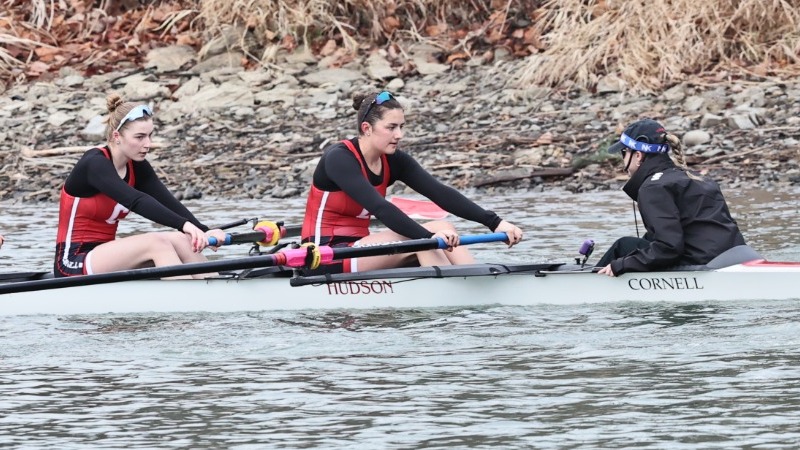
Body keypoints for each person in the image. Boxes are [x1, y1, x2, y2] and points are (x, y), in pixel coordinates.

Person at [300, 91, 523, 273]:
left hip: (362, 247)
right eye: (391, 127)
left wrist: (495, 223)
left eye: (401, 126)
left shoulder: (394, 160)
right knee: (425, 241)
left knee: (443, 227)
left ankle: (475, 282)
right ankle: (456, 302)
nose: (399, 135)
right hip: (325, 255)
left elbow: (439, 193)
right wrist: (427, 237)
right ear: (366, 128)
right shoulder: (339, 158)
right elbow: (381, 208)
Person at [54, 94, 226, 278]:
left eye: (150, 136)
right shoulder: (94, 164)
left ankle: (213, 292)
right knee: (157, 243)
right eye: (140, 137)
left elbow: (167, 201)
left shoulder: (136, 166)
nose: (148, 144)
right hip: (72, 261)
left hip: (107, 253)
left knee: (183, 240)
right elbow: (136, 200)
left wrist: (201, 230)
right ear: (117, 136)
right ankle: (184, 302)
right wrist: (185, 225)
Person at [596, 118, 746, 277]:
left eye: (624, 152)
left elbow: (669, 248)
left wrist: (622, 264)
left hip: (702, 265)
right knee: (630, 245)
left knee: (623, 246)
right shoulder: (697, 178)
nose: (623, 159)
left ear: (638, 155)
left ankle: (592, 280)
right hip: (737, 256)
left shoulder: (653, 187)